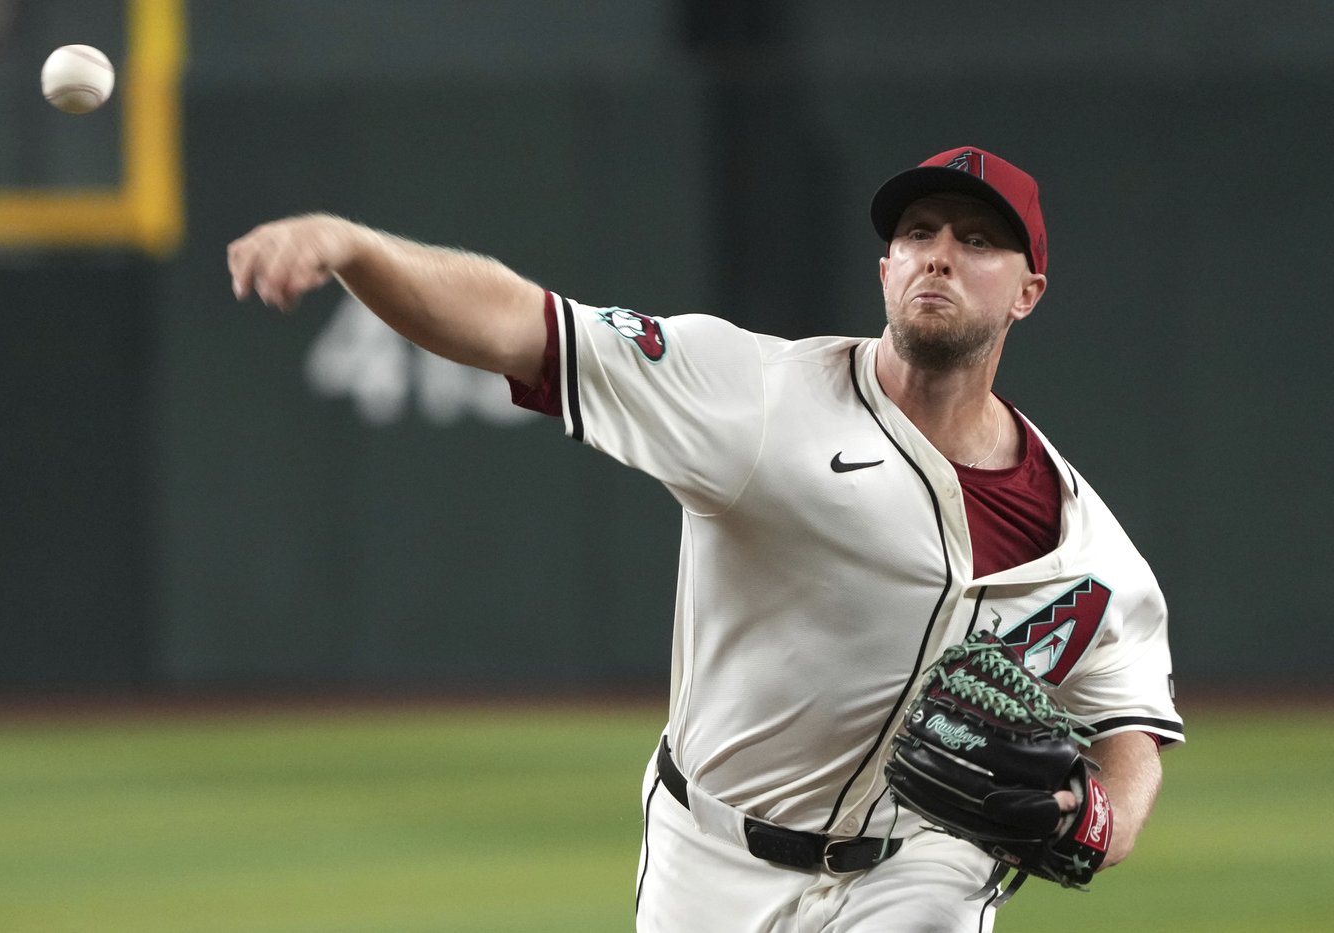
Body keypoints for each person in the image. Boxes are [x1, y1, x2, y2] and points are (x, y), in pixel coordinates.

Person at [228, 146, 1184, 932]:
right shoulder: (757, 395)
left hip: (919, 872)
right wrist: (356, 247)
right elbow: (520, 324)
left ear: (1028, 292)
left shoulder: (1086, 544)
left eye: (979, 241)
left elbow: (1128, 719)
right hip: (711, 854)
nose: (940, 254)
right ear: (885, 268)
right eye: (917, 234)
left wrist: (1104, 814)